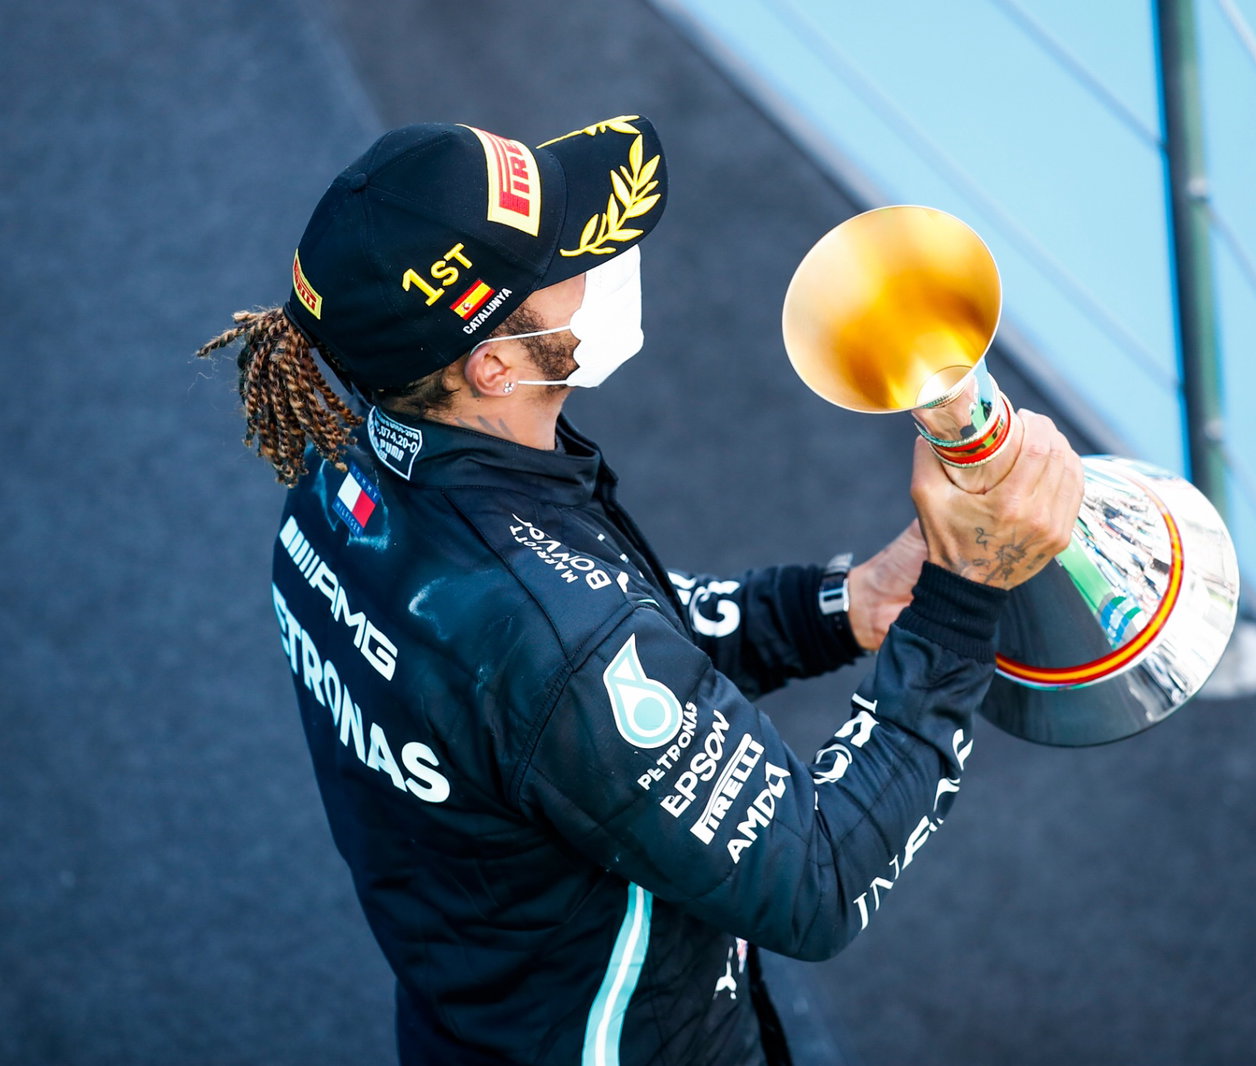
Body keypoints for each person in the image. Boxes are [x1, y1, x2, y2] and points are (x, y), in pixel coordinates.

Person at [197, 114, 1083, 1066]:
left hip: (470, 1013)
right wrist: (961, 599)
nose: (607, 262)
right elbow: (817, 880)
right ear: (492, 364)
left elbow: (588, 673)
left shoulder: (340, 480)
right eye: (573, 260)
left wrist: (841, 608)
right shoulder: (544, 623)